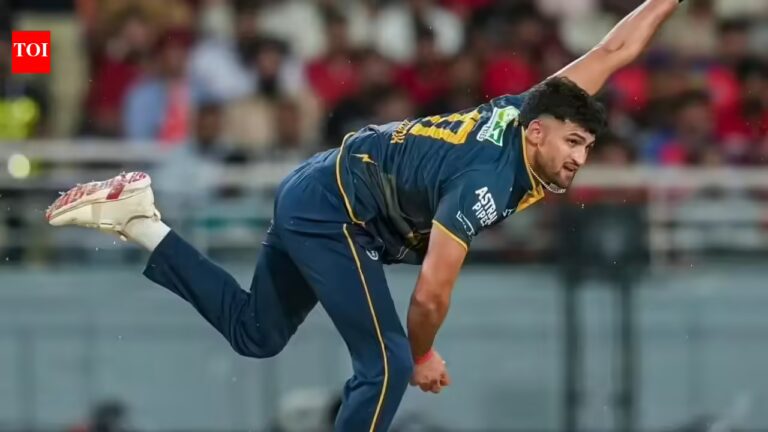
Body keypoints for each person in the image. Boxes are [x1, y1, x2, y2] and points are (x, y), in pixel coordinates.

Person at [46, 1, 684, 430]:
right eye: (572, 144)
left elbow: (615, 48)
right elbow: (431, 292)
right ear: (538, 133)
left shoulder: (535, 109)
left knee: (256, 334)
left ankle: (140, 222)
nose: (579, 159)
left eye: (587, 147)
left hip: (320, 191)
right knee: (390, 365)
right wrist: (424, 353)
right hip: (335, 212)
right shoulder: (485, 182)